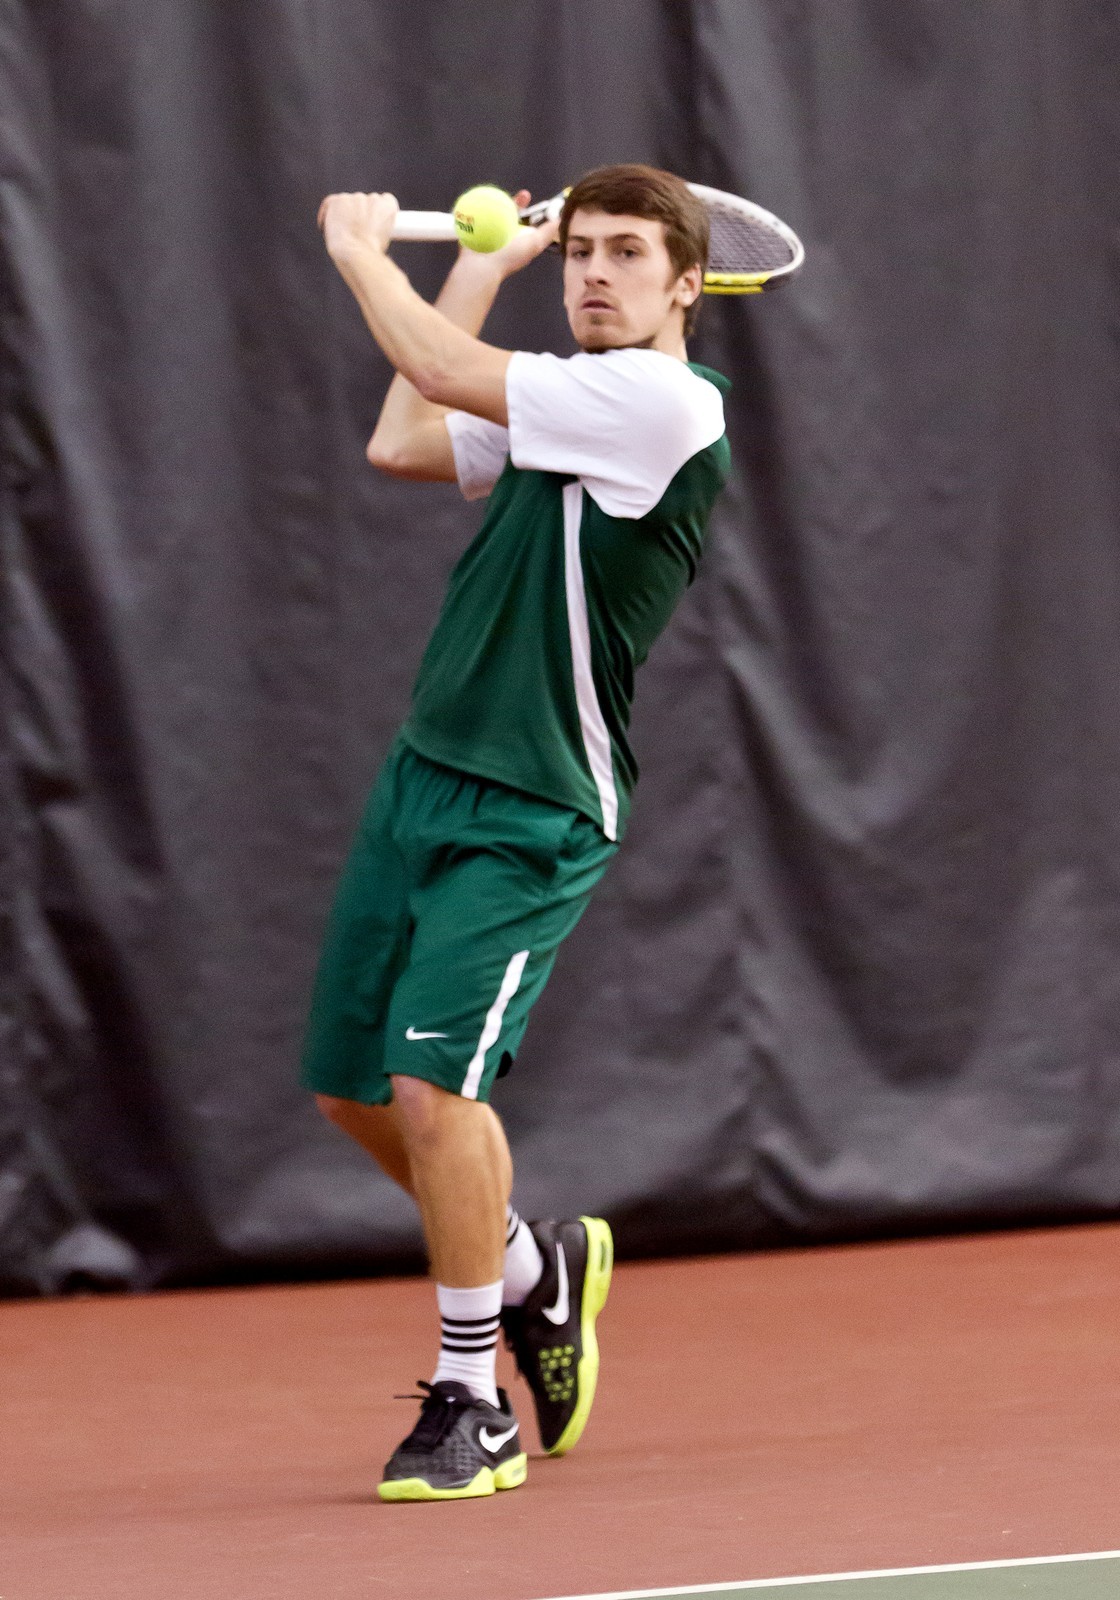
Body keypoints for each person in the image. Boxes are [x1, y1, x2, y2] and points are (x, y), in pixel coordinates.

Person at [307, 164, 731, 1501]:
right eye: (580, 253)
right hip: (421, 776)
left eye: (625, 254)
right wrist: (484, 267)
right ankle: (538, 1271)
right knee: (353, 1090)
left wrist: (361, 253)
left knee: (438, 1090)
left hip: (536, 803)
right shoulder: (563, 397)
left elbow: (435, 367)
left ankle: (468, 1394)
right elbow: (406, 435)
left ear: (686, 286)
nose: (594, 273)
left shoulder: (663, 402)